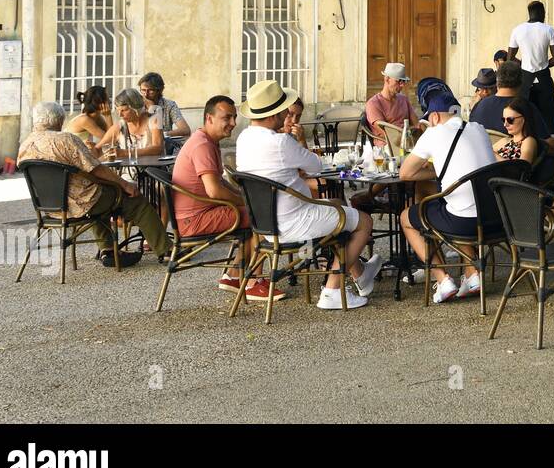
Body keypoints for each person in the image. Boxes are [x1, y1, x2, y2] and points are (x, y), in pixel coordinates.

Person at [235, 79, 380, 311]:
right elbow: (315, 166)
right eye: (284, 110)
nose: (287, 115)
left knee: (335, 205)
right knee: (363, 221)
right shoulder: (280, 141)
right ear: (275, 114)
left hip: (266, 224)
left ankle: (361, 274)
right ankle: (332, 290)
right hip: (295, 221)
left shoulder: (244, 138)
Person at [18, 101, 170, 269]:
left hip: (50, 207)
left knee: (99, 195)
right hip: (81, 202)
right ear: (59, 120)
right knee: (134, 199)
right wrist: (125, 185)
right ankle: (166, 250)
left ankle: (108, 250)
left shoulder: (25, 145)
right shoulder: (66, 140)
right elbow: (96, 169)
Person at [399, 82, 499, 304]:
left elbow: (405, 174)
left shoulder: (432, 135)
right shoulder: (478, 128)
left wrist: (432, 172)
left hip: (464, 223)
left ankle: (442, 279)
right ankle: (473, 274)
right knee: (453, 202)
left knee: (407, 217)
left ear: (433, 117)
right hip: (495, 219)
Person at [171, 96, 276, 302]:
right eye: (227, 117)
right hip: (194, 219)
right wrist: (249, 203)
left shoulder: (205, 140)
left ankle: (234, 276)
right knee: (264, 218)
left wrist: (245, 198)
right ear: (209, 118)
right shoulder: (202, 145)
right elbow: (215, 192)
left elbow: (220, 183)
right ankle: (254, 282)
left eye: (235, 117)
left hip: (192, 215)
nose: (233, 123)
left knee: (254, 212)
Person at [493, 96, 554, 232]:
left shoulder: (528, 141)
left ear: (524, 118)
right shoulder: (504, 141)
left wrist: (494, 156)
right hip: (497, 186)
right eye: (503, 120)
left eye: (510, 120)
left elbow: (522, 167)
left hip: (510, 189)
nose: (505, 124)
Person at [508, 0, 554, 132]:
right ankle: (550, 146)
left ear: (529, 13)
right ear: (542, 13)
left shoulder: (517, 30)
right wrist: (543, 66)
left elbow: (510, 58)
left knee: (524, 115)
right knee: (549, 117)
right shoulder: (548, 30)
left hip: (525, 79)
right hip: (544, 79)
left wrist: (523, 65)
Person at [99, 88, 164, 159]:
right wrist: (91, 149)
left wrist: (125, 153)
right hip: (128, 169)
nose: (120, 115)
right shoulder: (120, 126)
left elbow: (158, 149)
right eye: (118, 110)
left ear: (135, 107)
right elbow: (99, 148)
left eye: (124, 110)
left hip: (152, 169)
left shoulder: (154, 120)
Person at [366, 62, 417, 146]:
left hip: (408, 143)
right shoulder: (373, 104)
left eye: (404, 81)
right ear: (387, 79)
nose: (402, 85)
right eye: (399, 81)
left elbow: (416, 124)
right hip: (388, 146)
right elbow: (387, 132)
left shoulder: (404, 99)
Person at [139, 72, 191, 138]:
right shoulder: (137, 105)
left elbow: (185, 130)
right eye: (143, 90)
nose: (146, 94)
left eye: (150, 90)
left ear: (160, 90)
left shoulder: (169, 105)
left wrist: (161, 134)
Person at [66, 86, 112, 153]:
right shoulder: (85, 120)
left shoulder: (97, 117)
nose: (109, 101)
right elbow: (110, 140)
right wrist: (108, 116)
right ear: (99, 102)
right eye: (107, 99)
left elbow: (111, 136)